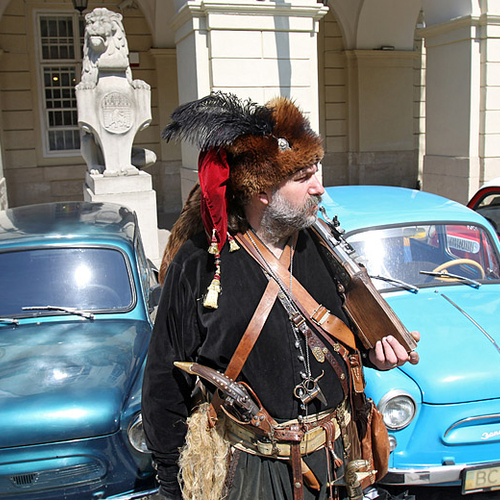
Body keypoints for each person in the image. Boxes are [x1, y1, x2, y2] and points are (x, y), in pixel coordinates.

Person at [142, 92, 419, 500]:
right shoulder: (201, 261)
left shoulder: (321, 244)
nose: (319, 188)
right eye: (303, 177)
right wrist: (171, 484)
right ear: (262, 190)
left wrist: (374, 354)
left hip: (334, 462)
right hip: (251, 472)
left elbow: (343, 337)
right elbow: (165, 382)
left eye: (316, 171)